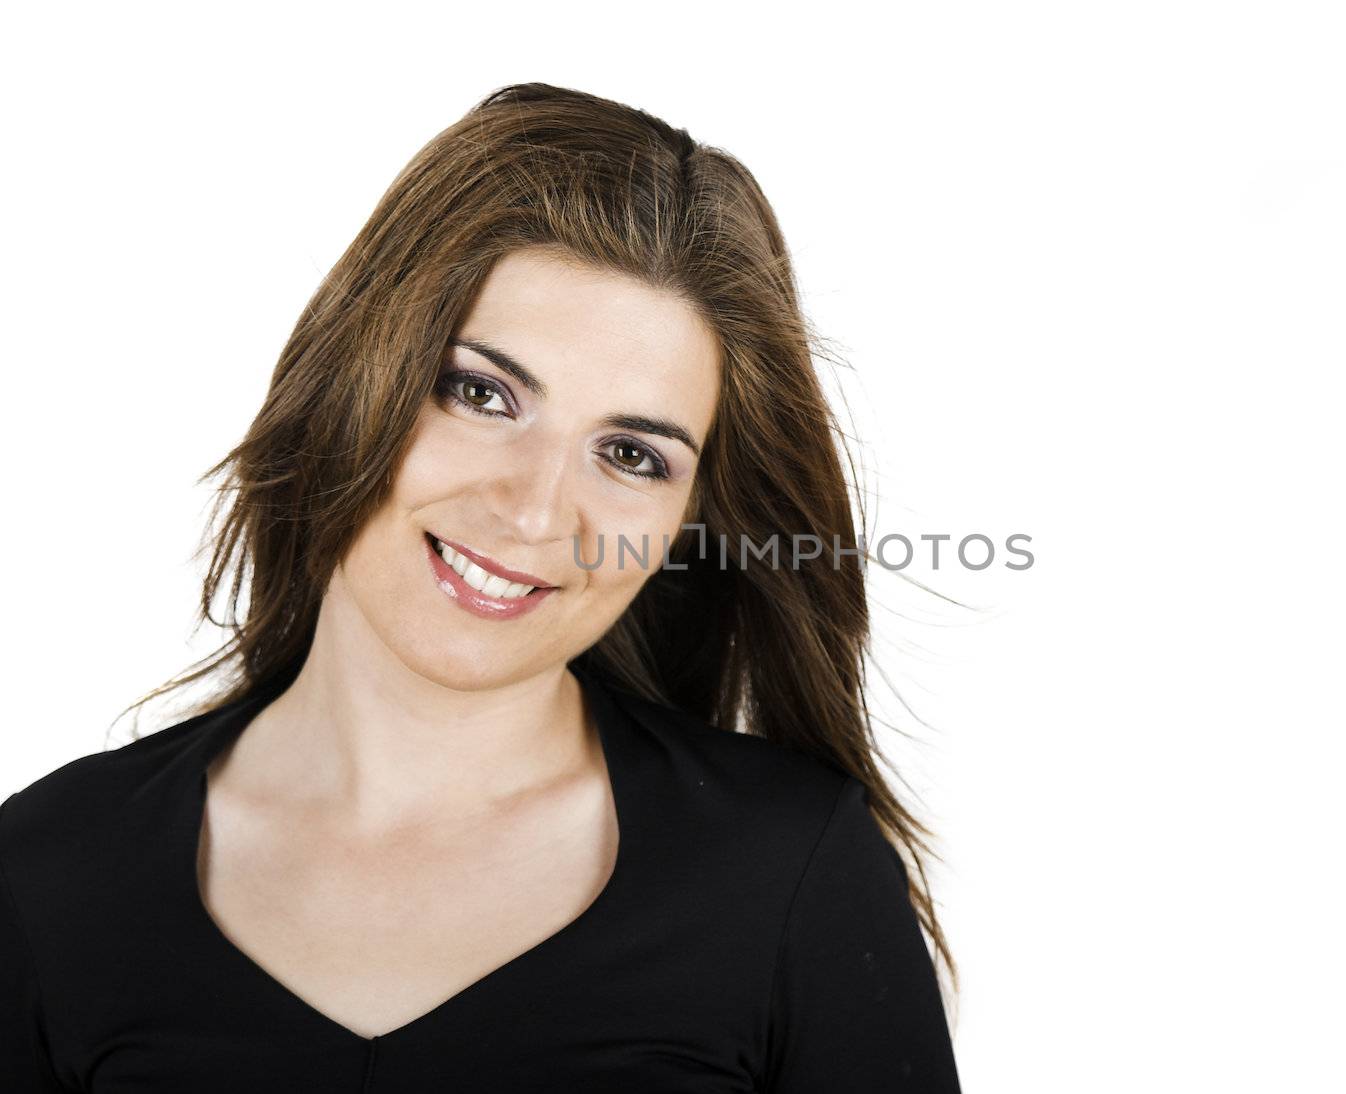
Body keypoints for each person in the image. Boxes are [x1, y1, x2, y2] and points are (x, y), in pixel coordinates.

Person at [0, 81, 962, 1091]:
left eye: (632, 454)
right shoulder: (49, 877)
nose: (538, 511)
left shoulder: (792, 871)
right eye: (480, 393)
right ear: (352, 378)